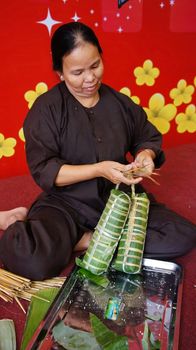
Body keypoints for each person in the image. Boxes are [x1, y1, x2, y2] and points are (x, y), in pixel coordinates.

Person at [0, 22, 195, 280]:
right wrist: (99, 169)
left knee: (182, 235)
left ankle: (85, 242)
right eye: (77, 72)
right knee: (31, 259)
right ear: (60, 72)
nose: (90, 78)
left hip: (119, 200)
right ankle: (24, 221)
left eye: (95, 66)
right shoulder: (46, 110)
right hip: (66, 204)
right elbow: (45, 170)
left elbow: (146, 138)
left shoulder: (120, 104)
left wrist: (145, 156)